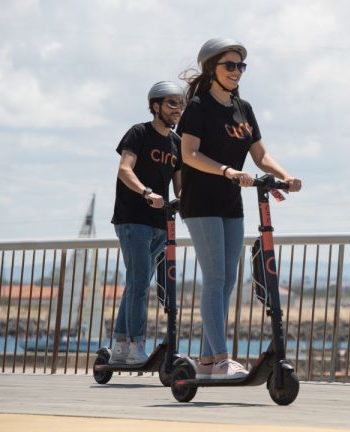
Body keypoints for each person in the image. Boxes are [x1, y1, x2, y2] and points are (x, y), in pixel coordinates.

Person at [177, 37, 302, 379]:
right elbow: (189, 154)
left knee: (228, 281)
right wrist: (227, 171)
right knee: (215, 278)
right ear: (212, 69)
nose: (236, 71)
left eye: (241, 66)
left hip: (230, 203)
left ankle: (206, 362)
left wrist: (285, 176)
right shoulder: (198, 107)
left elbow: (260, 154)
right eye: (230, 65)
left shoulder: (243, 108)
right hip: (201, 202)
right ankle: (220, 360)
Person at [110, 81, 184, 364]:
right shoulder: (139, 132)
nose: (177, 109)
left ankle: (120, 345)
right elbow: (124, 169)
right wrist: (146, 192)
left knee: (136, 284)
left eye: (180, 104)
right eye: (172, 103)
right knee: (140, 283)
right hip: (133, 219)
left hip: (160, 222)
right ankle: (136, 345)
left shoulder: (176, 143)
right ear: (155, 106)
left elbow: (179, 187)